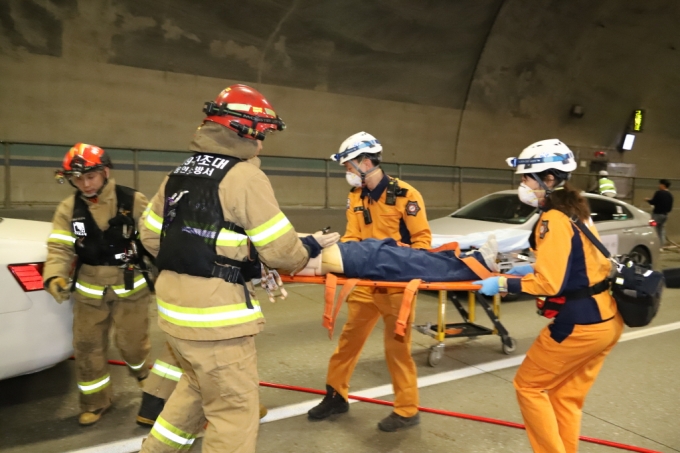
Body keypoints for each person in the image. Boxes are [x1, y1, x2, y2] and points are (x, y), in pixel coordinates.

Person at [137, 84, 339, 453]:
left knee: (196, 387)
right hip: (217, 323)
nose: (262, 142)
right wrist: (307, 247)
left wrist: (219, 254)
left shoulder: (177, 174)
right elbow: (282, 252)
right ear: (244, 130)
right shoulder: (244, 177)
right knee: (235, 411)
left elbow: (150, 238)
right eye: (261, 133)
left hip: (174, 315)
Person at [473, 139, 624, 453]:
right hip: (605, 321)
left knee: (528, 387)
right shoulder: (576, 212)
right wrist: (527, 271)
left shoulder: (553, 219)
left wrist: (502, 284)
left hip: (578, 326)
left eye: (527, 178)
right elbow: (577, 266)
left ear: (549, 179)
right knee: (565, 396)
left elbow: (550, 284)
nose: (523, 185)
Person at [307, 132, 431, 432]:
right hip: (364, 283)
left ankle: (406, 410)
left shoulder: (405, 195)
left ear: (366, 162)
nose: (347, 173)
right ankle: (336, 395)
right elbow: (353, 236)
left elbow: (422, 242)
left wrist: (398, 263)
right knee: (348, 341)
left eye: (349, 167)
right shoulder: (356, 196)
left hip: (395, 286)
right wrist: (339, 255)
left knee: (397, 349)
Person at [43, 143, 153, 425]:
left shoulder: (133, 200)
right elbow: (59, 247)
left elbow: (155, 240)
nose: (84, 183)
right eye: (76, 178)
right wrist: (55, 275)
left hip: (130, 286)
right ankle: (95, 401)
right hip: (89, 290)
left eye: (90, 176)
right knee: (87, 346)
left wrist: (168, 273)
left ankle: (143, 373)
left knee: (132, 345)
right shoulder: (68, 209)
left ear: (105, 172)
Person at [645, 179, 673, 248]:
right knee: (661, 231)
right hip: (665, 215)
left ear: (663, 185)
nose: (659, 186)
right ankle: (661, 246)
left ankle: (654, 246)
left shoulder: (659, 193)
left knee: (653, 229)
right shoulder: (670, 195)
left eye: (660, 184)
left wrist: (647, 200)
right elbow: (670, 208)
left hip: (657, 214)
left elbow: (653, 202)